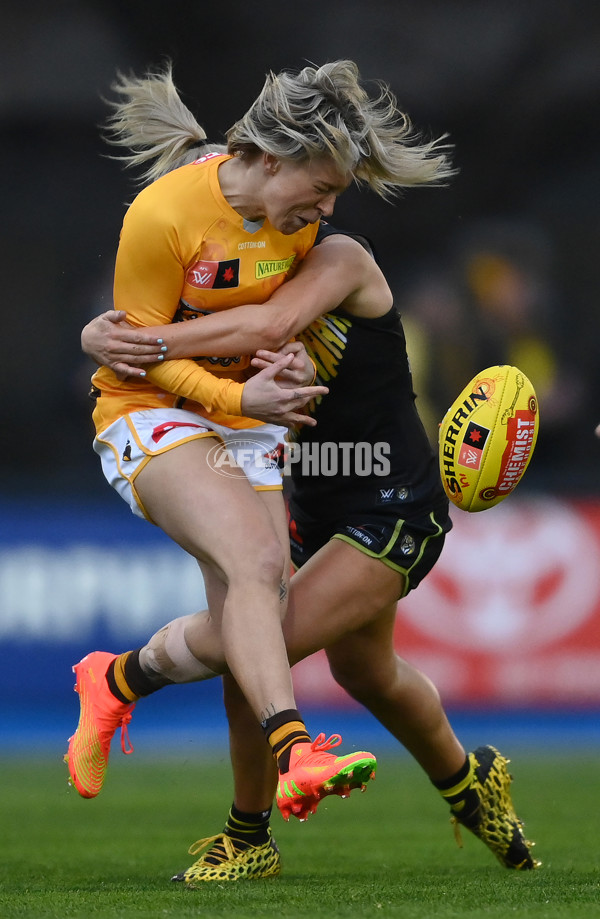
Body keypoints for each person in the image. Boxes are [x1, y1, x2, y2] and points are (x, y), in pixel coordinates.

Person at [80, 224, 539, 881]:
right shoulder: (224, 290)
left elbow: (274, 323)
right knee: (368, 671)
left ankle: (144, 703)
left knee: (254, 646)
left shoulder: (339, 258)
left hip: (394, 503)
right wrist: (104, 339)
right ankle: (473, 786)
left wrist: (136, 338)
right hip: (314, 505)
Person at [66, 59, 456, 822]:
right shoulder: (160, 216)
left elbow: (278, 326)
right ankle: (296, 751)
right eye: (322, 185)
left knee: (257, 621)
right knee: (257, 559)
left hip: (246, 420)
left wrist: (284, 367)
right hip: (149, 410)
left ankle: (126, 698)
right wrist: (236, 390)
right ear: (272, 158)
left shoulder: (301, 222)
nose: (329, 205)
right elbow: (141, 361)